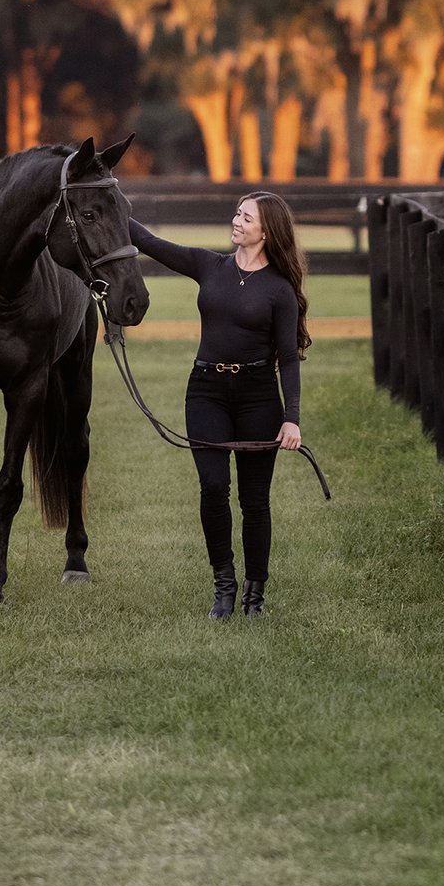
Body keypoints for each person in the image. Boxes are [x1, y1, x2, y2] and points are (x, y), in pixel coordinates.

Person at [126, 191, 311, 619]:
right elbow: (149, 242)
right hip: (206, 390)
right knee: (213, 487)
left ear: (266, 232)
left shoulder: (280, 290)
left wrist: (291, 418)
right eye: (237, 214)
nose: (236, 221)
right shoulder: (209, 265)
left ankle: (254, 595)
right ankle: (223, 586)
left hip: (258, 396)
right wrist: (108, 195)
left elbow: (288, 358)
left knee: (254, 500)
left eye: (246, 218)